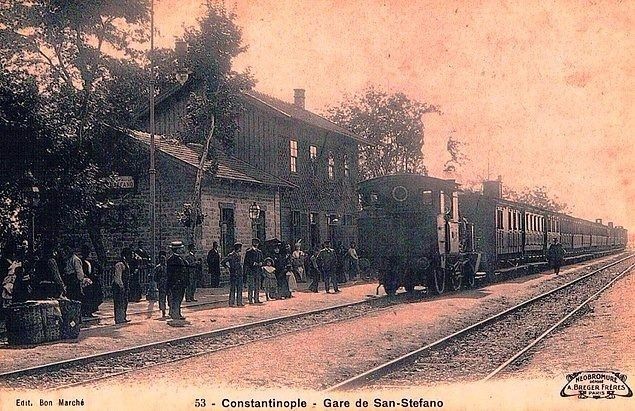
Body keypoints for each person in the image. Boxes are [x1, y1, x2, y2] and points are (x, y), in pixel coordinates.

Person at [79, 244, 103, 318]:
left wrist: (96, 274)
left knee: (94, 296)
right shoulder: (81, 261)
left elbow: (100, 268)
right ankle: (86, 311)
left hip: (93, 280)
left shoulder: (91, 261)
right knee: (87, 297)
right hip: (85, 281)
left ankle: (90, 311)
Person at [166, 241, 188, 320]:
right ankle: (175, 313)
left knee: (178, 298)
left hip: (178, 282)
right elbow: (173, 272)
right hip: (177, 282)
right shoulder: (175, 259)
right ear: (177, 250)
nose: (182, 250)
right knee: (177, 298)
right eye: (180, 249)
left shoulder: (177, 258)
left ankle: (176, 313)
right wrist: (177, 281)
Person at [112, 247, 132, 324]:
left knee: (124, 302)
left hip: (124, 286)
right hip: (119, 287)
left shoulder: (126, 264)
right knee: (119, 302)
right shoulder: (120, 264)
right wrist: (121, 286)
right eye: (129, 255)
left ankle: (123, 317)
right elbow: (118, 277)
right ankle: (119, 318)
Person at [222, 242, 244, 307]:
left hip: (239, 274)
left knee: (240, 289)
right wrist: (228, 268)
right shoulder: (231, 255)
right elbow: (223, 262)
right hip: (233, 274)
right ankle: (231, 303)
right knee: (233, 289)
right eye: (240, 248)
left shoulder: (239, 255)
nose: (241, 249)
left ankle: (239, 302)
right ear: (238, 248)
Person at [243, 238, 263, 304]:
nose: (256, 244)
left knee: (257, 285)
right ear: (252, 243)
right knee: (251, 286)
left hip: (257, 271)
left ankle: (256, 299)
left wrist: (261, 263)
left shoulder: (259, 252)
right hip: (251, 271)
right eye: (254, 243)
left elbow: (262, 260)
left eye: (257, 243)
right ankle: (250, 299)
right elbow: (246, 262)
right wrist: (253, 263)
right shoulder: (249, 252)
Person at [154, 250, 168, 318]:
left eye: (164, 258)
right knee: (162, 298)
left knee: (169, 297)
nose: (163, 260)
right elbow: (155, 277)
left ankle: (170, 310)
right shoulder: (158, 267)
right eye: (161, 259)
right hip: (162, 284)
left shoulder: (168, 267)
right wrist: (159, 282)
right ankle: (163, 311)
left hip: (168, 283)